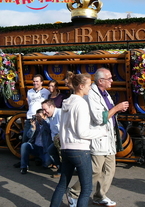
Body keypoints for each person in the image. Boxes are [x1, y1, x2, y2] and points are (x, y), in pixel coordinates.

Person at [66, 68, 129, 207]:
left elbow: (108, 113)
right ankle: (73, 193)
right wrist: (117, 108)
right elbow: (100, 118)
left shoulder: (105, 93)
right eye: (109, 78)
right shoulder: (92, 94)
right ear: (101, 81)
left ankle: (100, 196)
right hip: (98, 138)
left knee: (109, 169)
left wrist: (117, 109)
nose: (112, 80)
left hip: (109, 138)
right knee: (95, 170)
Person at [50, 73, 107, 207]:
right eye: (89, 85)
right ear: (81, 86)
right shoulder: (81, 104)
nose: (91, 87)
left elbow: (63, 128)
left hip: (66, 148)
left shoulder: (67, 102)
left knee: (62, 185)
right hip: (80, 150)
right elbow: (82, 132)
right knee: (86, 189)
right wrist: (101, 132)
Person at [19, 109, 52, 174]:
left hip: (45, 149)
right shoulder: (35, 124)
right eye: (36, 117)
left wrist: (43, 122)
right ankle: (24, 167)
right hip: (35, 147)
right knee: (24, 145)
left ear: (45, 116)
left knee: (47, 163)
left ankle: (42, 160)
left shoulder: (49, 123)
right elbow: (29, 136)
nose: (37, 119)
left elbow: (49, 131)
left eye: (39, 117)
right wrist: (33, 128)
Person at [23, 74, 50, 143]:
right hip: (30, 118)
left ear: (41, 82)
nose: (35, 83)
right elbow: (29, 104)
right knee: (26, 138)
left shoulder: (46, 92)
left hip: (41, 118)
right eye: (34, 81)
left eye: (37, 81)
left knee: (39, 139)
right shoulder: (29, 92)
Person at [41, 99, 62, 178]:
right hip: (57, 141)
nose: (44, 112)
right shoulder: (50, 117)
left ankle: (65, 171)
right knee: (51, 150)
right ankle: (61, 169)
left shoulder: (60, 113)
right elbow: (53, 131)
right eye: (43, 110)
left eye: (45, 109)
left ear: (52, 107)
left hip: (65, 140)